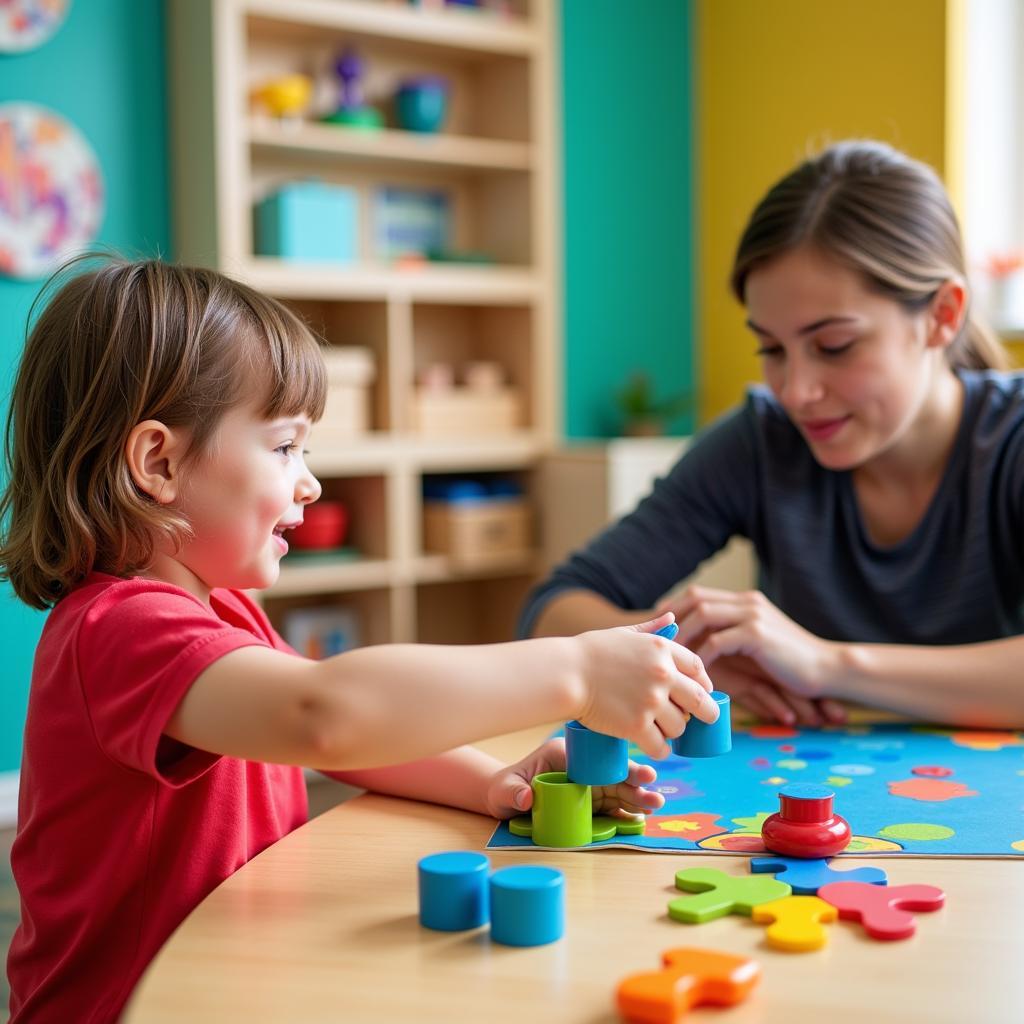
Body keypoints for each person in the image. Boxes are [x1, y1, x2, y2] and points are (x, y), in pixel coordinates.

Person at [0, 258, 719, 1024]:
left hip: (229, 980)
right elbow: (323, 714)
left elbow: (339, 744)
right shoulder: (119, 629)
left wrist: (491, 783)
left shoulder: (221, 610)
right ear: (159, 463)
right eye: (284, 449)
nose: (309, 483)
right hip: (128, 1007)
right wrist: (575, 668)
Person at [521, 139, 1024, 731]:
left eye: (834, 346)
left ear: (942, 315)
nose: (796, 390)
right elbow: (554, 609)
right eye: (772, 348)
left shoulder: (1011, 443)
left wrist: (831, 664)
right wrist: (685, 660)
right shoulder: (762, 442)